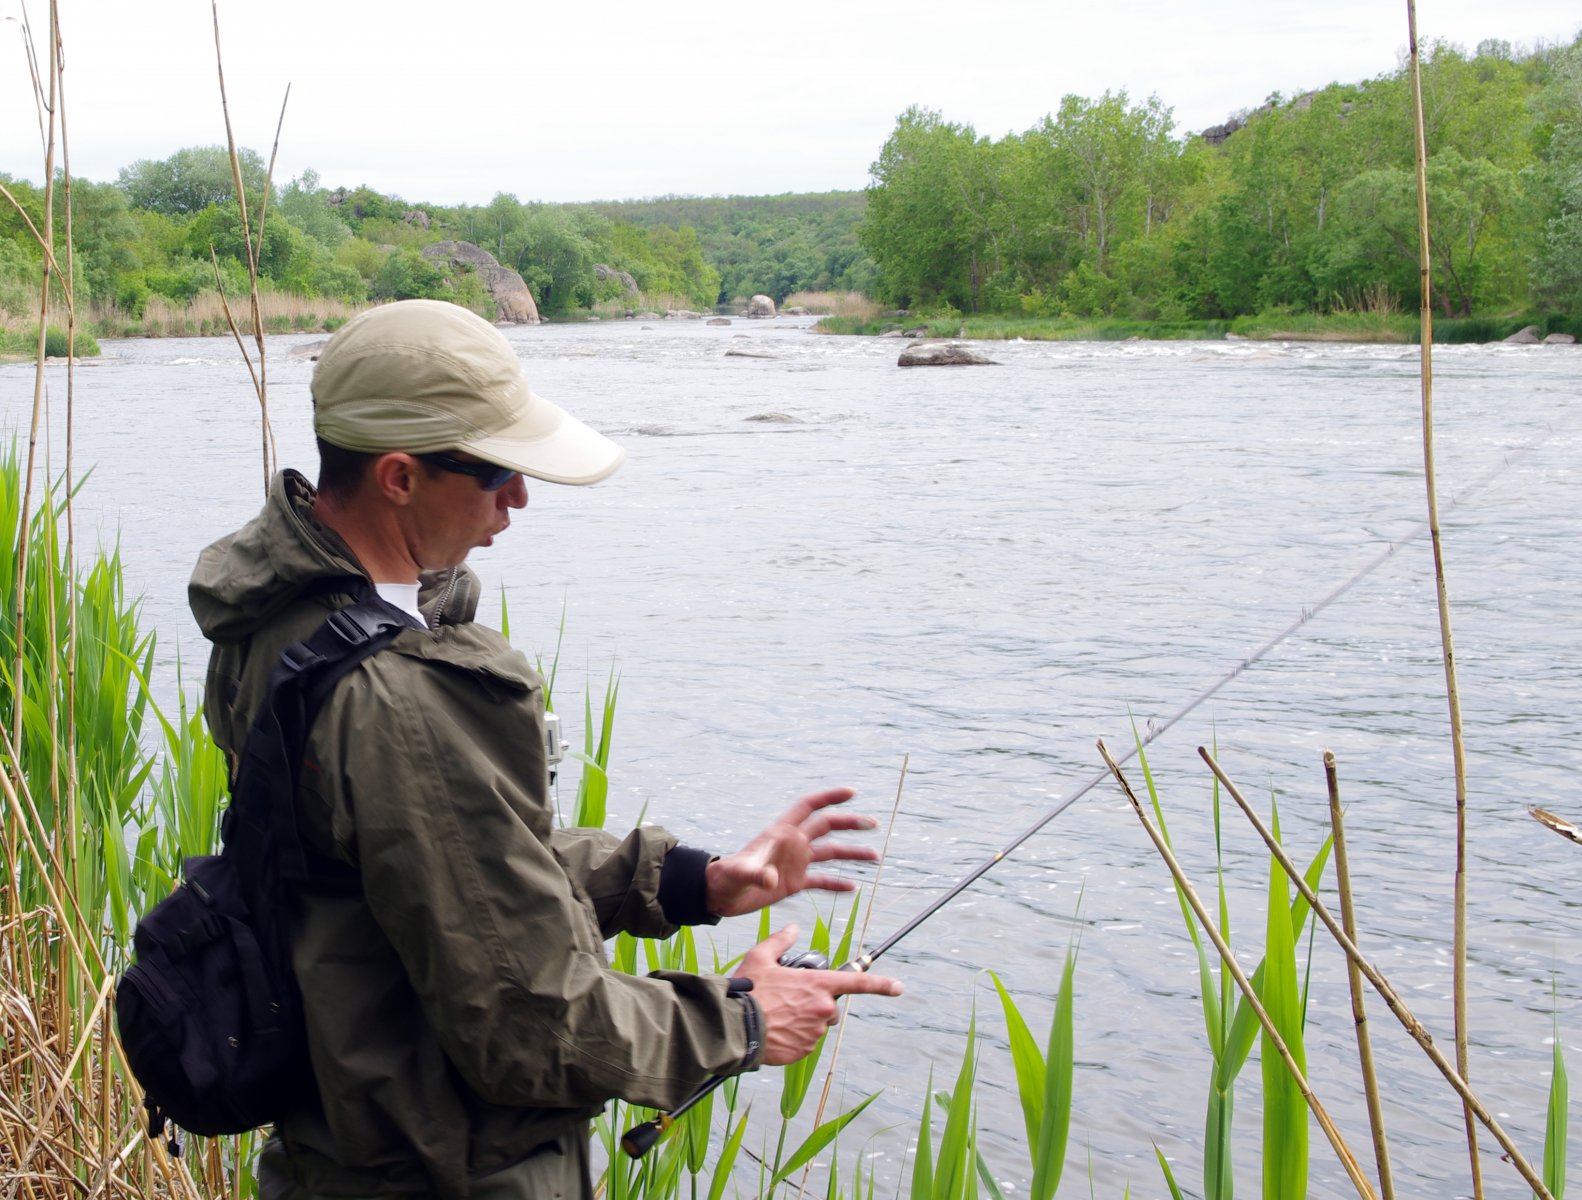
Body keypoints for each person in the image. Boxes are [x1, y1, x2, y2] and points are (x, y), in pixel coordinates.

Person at [188, 299, 902, 1199]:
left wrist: (691, 883)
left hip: (335, 1156)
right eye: (495, 470)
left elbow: (428, 867)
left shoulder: (278, 624)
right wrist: (743, 1022)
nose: (519, 497)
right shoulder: (399, 693)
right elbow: (530, 1023)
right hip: (441, 1175)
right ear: (399, 477)